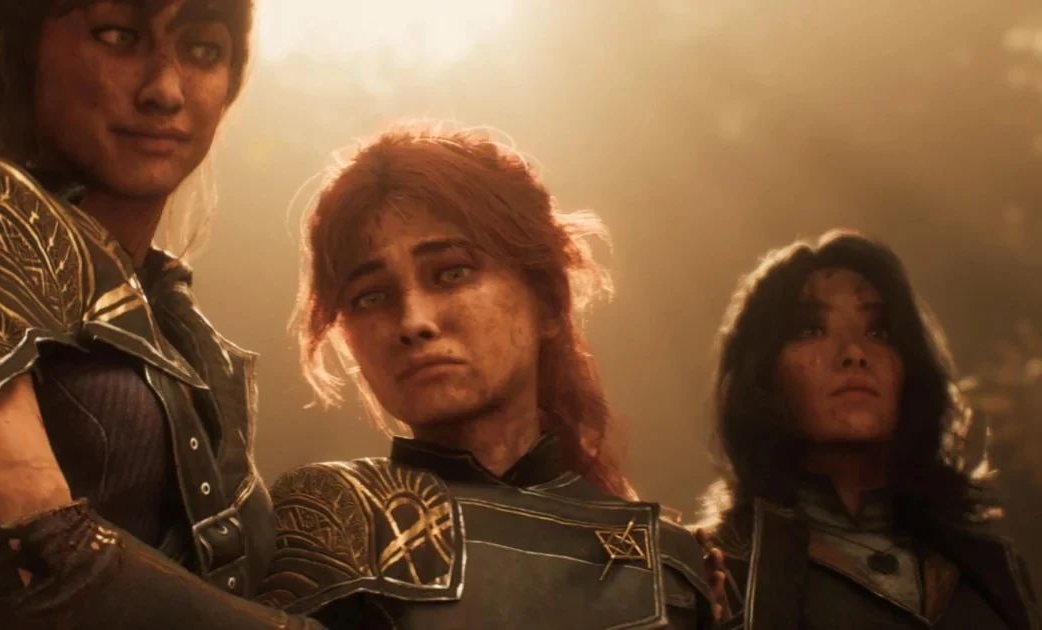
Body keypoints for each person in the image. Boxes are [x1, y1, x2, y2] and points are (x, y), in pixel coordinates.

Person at [0, 2, 317, 628]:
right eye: (118, 36)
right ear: (22, 52)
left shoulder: (187, 336)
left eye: (204, 49)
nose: (165, 90)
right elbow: (30, 555)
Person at [256, 122, 721, 629]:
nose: (413, 321)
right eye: (370, 297)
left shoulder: (666, 561)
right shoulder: (333, 518)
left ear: (548, 301)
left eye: (452, 272)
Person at [696, 230, 1039, 629]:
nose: (855, 353)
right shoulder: (714, 570)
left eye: (879, 332)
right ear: (763, 372)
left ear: (908, 367)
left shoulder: (992, 571)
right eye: (811, 330)